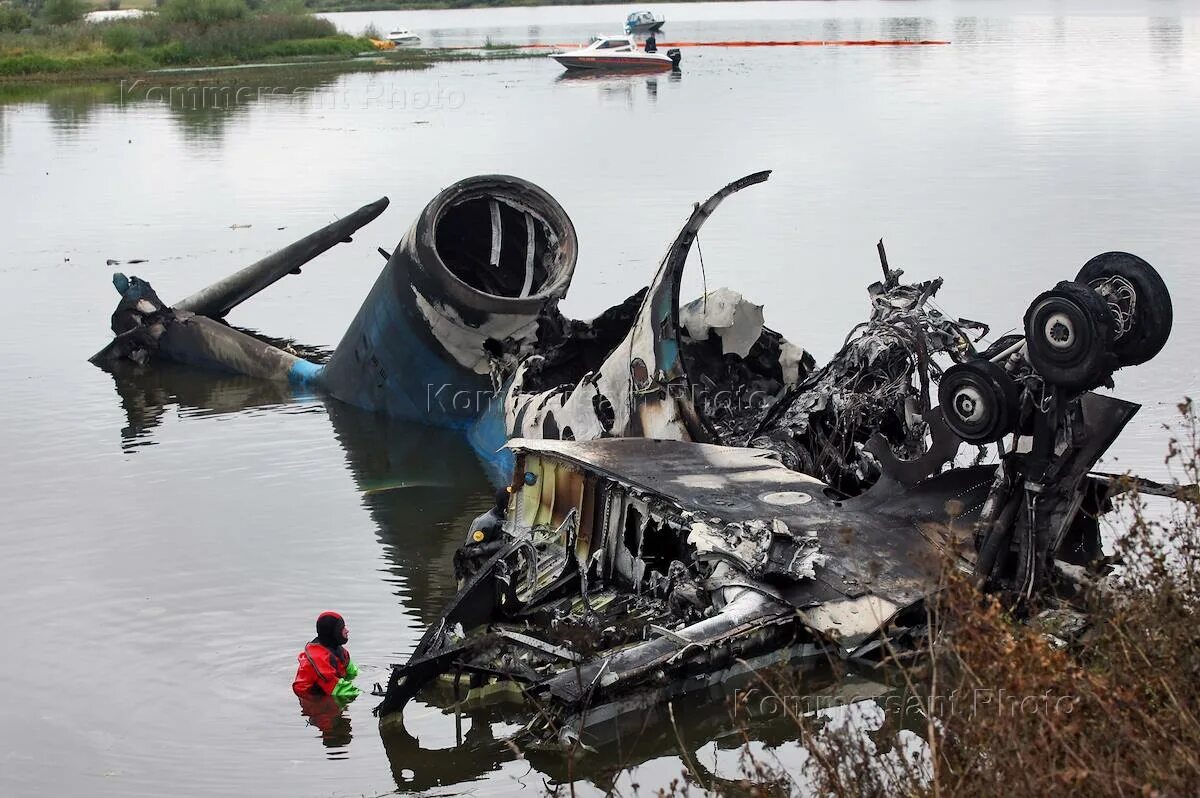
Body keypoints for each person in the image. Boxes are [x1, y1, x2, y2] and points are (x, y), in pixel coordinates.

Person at [292, 611, 360, 698]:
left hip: (331, 691)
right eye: (342, 628)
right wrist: (366, 694)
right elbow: (339, 689)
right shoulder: (319, 660)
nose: (347, 631)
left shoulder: (340, 651)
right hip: (313, 700)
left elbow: (353, 672)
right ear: (334, 632)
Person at [453, 488, 510, 582]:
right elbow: (468, 552)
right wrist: (499, 545)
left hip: (499, 569)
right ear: (506, 503)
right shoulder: (485, 522)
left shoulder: (508, 517)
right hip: (477, 575)